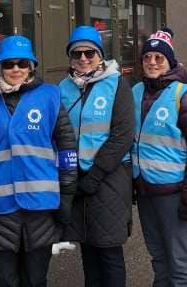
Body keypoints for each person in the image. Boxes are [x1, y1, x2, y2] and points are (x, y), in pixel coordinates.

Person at [0, 35, 77, 287]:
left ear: (31, 67)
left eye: (22, 63)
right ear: (0, 67)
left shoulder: (50, 97)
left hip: (40, 209)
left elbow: (67, 149)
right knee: (3, 281)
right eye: (9, 64)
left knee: (35, 281)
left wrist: (67, 194)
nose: (16, 69)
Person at [132, 28, 187, 287]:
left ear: (170, 62)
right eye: (147, 57)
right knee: (158, 258)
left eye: (159, 57)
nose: (152, 62)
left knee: (179, 263)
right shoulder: (135, 92)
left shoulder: (185, 96)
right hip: (145, 192)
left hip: (175, 194)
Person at [59, 26, 135, 287]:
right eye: (76, 53)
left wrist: (96, 174)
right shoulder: (63, 88)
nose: (83, 58)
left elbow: (123, 135)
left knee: (109, 250)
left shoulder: (116, 84)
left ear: (100, 55)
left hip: (109, 178)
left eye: (89, 53)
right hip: (76, 179)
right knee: (88, 249)